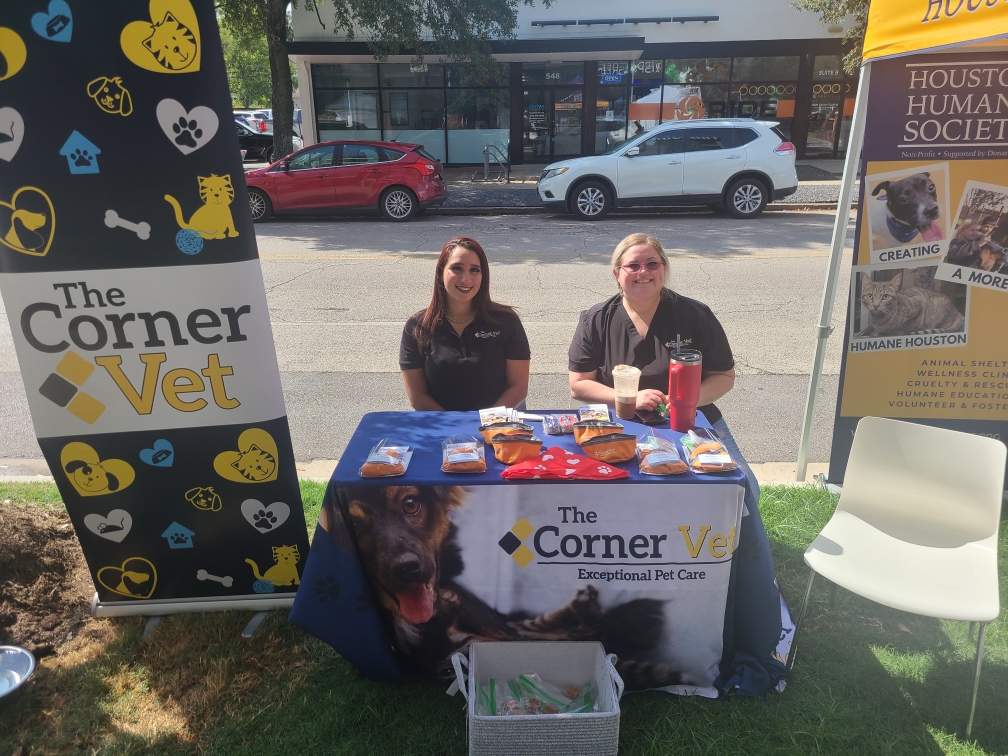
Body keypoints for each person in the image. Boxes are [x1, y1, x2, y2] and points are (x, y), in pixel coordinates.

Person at [567, 232, 756, 499]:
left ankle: (731, 542)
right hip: (619, 425)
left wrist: (685, 401)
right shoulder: (596, 319)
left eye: (652, 264)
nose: (643, 272)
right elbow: (579, 384)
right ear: (617, 274)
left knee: (744, 488)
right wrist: (630, 398)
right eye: (633, 265)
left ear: (664, 269)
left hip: (690, 421)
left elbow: (724, 376)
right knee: (605, 494)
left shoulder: (695, 314)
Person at [400, 236, 530, 411]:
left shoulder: (506, 321)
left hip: (496, 427)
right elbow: (417, 397)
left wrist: (486, 424)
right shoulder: (417, 327)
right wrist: (456, 429)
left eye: (474, 270)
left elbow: (518, 388)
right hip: (443, 429)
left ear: (483, 276)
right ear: (441, 272)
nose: (465, 278)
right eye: (457, 268)